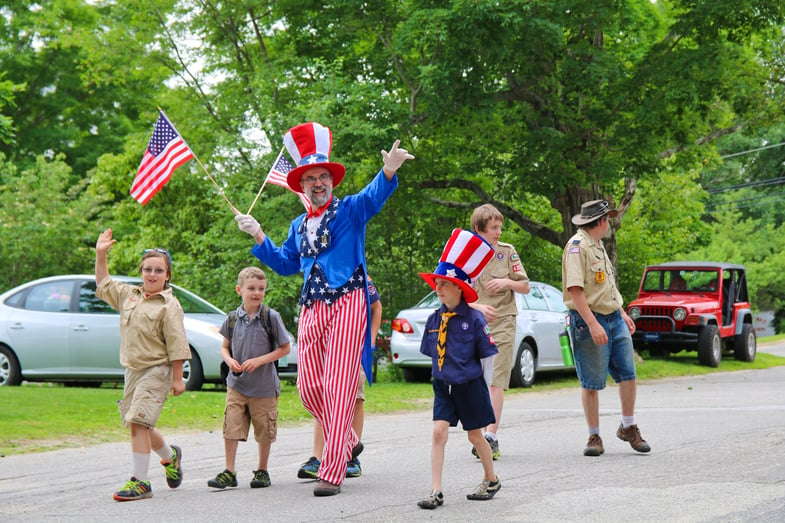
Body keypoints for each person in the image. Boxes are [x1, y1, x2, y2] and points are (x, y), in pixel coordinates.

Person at [234, 121, 413, 496]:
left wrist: (389, 169)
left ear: (331, 181)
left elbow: (373, 196)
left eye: (323, 177)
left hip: (349, 299)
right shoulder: (298, 225)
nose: (317, 183)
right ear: (301, 186)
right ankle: (346, 439)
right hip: (312, 306)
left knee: (338, 384)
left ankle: (333, 469)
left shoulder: (349, 211)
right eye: (310, 178)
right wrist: (258, 235)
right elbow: (285, 264)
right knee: (308, 386)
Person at [94, 229, 188, 502]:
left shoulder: (169, 305)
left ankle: (140, 482)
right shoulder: (130, 295)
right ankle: (171, 458)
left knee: (137, 421)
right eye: (148, 269)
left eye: (159, 270)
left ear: (167, 275)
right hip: (132, 370)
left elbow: (177, 343)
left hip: (157, 369)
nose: (152, 274)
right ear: (141, 271)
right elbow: (103, 284)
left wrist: (178, 378)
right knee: (141, 424)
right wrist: (101, 254)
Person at [417, 228, 501, 510]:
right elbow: (431, 354)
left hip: (470, 386)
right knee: (438, 432)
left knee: (475, 435)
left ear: (459, 288)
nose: (438, 288)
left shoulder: (474, 319)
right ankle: (436, 490)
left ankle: (491, 478)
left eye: (444, 284)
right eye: (437, 283)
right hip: (443, 386)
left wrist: (485, 390)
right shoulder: (433, 319)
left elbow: (487, 357)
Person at [561, 200, 651, 457]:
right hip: (590, 319)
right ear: (600, 221)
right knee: (591, 381)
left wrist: (622, 313)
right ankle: (594, 435)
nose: (609, 223)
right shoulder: (577, 247)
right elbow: (575, 290)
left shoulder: (598, 245)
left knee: (628, 374)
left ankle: (628, 426)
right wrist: (592, 324)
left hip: (613, 318)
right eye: (607, 219)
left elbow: (605, 285)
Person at [207, 266, 291, 490]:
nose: (257, 293)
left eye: (261, 289)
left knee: (264, 430)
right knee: (231, 427)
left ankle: (262, 471)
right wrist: (229, 360)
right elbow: (224, 347)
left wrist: (259, 361)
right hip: (237, 385)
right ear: (239, 290)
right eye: (251, 288)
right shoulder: (233, 318)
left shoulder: (270, 317)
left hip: (264, 388)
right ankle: (229, 471)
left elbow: (285, 348)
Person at [297, 278, 382, 480]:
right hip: (326, 347)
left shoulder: (361, 277)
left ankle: (352, 457)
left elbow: (376, 308)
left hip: (351, 346)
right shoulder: (319, 275)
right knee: (324, 396)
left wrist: (368, 343)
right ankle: (318, 456)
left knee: (353, 398)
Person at [468, 204, 530, 460]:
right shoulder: (466, 255)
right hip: (474, 323)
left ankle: (490, 436)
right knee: (475, 380)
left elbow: (525, 286)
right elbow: (453, 292)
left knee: (497, 380)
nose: (498, 232)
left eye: (500, 227)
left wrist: (507, 282)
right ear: (478, 229)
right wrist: (476, 307)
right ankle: (476, 432)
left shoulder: (508, 252)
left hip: (504, 321)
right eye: (493, 228)